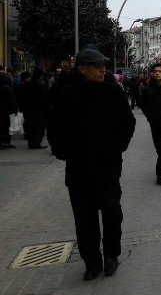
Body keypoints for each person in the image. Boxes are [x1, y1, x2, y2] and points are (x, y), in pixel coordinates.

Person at [47, 47, 136, 281]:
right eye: (97, 66)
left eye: (103, 65)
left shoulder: (113, 93)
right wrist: (63, 152)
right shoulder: (65, 97)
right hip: (78, 170)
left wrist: (118, 147)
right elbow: (54, 129)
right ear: (82, 69)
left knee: (112, 213)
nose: (102, 69)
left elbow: (128, 122)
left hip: (107, 167)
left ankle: (111, 255)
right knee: (84, 219)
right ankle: (92, 262)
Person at [23, 68, 49, 149]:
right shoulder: (40, 84)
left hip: (29, 108)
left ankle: (31, 142)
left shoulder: (29, 83)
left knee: (31, 126)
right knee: (39, 127)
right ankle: (36, 143)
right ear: (40, 75)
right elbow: (44, 98)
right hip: (39, 109)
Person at [0, 71, 18, 149]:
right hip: (5, 111)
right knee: (5, 126)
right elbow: (11, 100)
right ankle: (6, 142)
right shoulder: (7, 87)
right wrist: (15, 109)